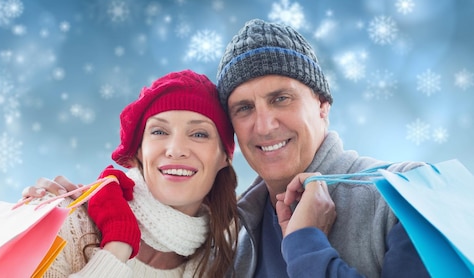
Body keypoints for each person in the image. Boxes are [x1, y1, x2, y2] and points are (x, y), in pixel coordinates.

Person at [215, 19, 430, 277]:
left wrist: (306, 246)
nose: (264, 126)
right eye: (245, 108)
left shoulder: (408, 195)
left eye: (281, 99)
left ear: (322, 105)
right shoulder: (231, 240)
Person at [24, 69, 239, 277]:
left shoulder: (227, 261)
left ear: (225, 157)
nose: (175, 150)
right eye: (159, 131)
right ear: (138, 150)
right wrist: (117, 247)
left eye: (199, 134)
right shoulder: (67, 222)